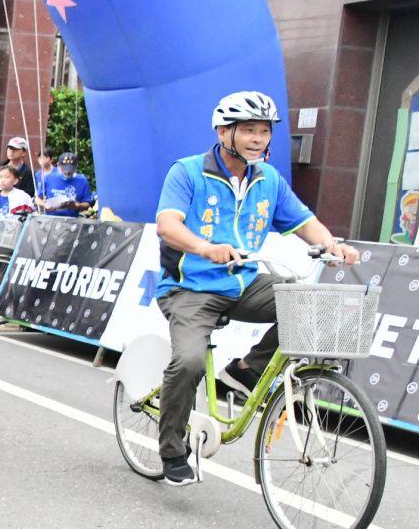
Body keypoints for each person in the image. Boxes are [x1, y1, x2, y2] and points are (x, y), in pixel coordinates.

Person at [152, 91, 358, 485]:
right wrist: (204, 248)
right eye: (248, 130)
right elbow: (168, 225)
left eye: (264, 131)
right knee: (190, 362)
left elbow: (304, 222)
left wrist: (333, 246)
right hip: (189, 288)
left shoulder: (268, 180)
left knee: (306, 303)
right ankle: (173, 451)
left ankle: (247, 369)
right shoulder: (188, 172)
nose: (258, 139)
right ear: (223, 132)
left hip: (243, 282)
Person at [0, 164, 35, 234]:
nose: (2, 180)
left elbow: (30, 219)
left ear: (15, 181)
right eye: (0, 177)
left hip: (14, 234)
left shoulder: (23, 197)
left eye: (6, 177)